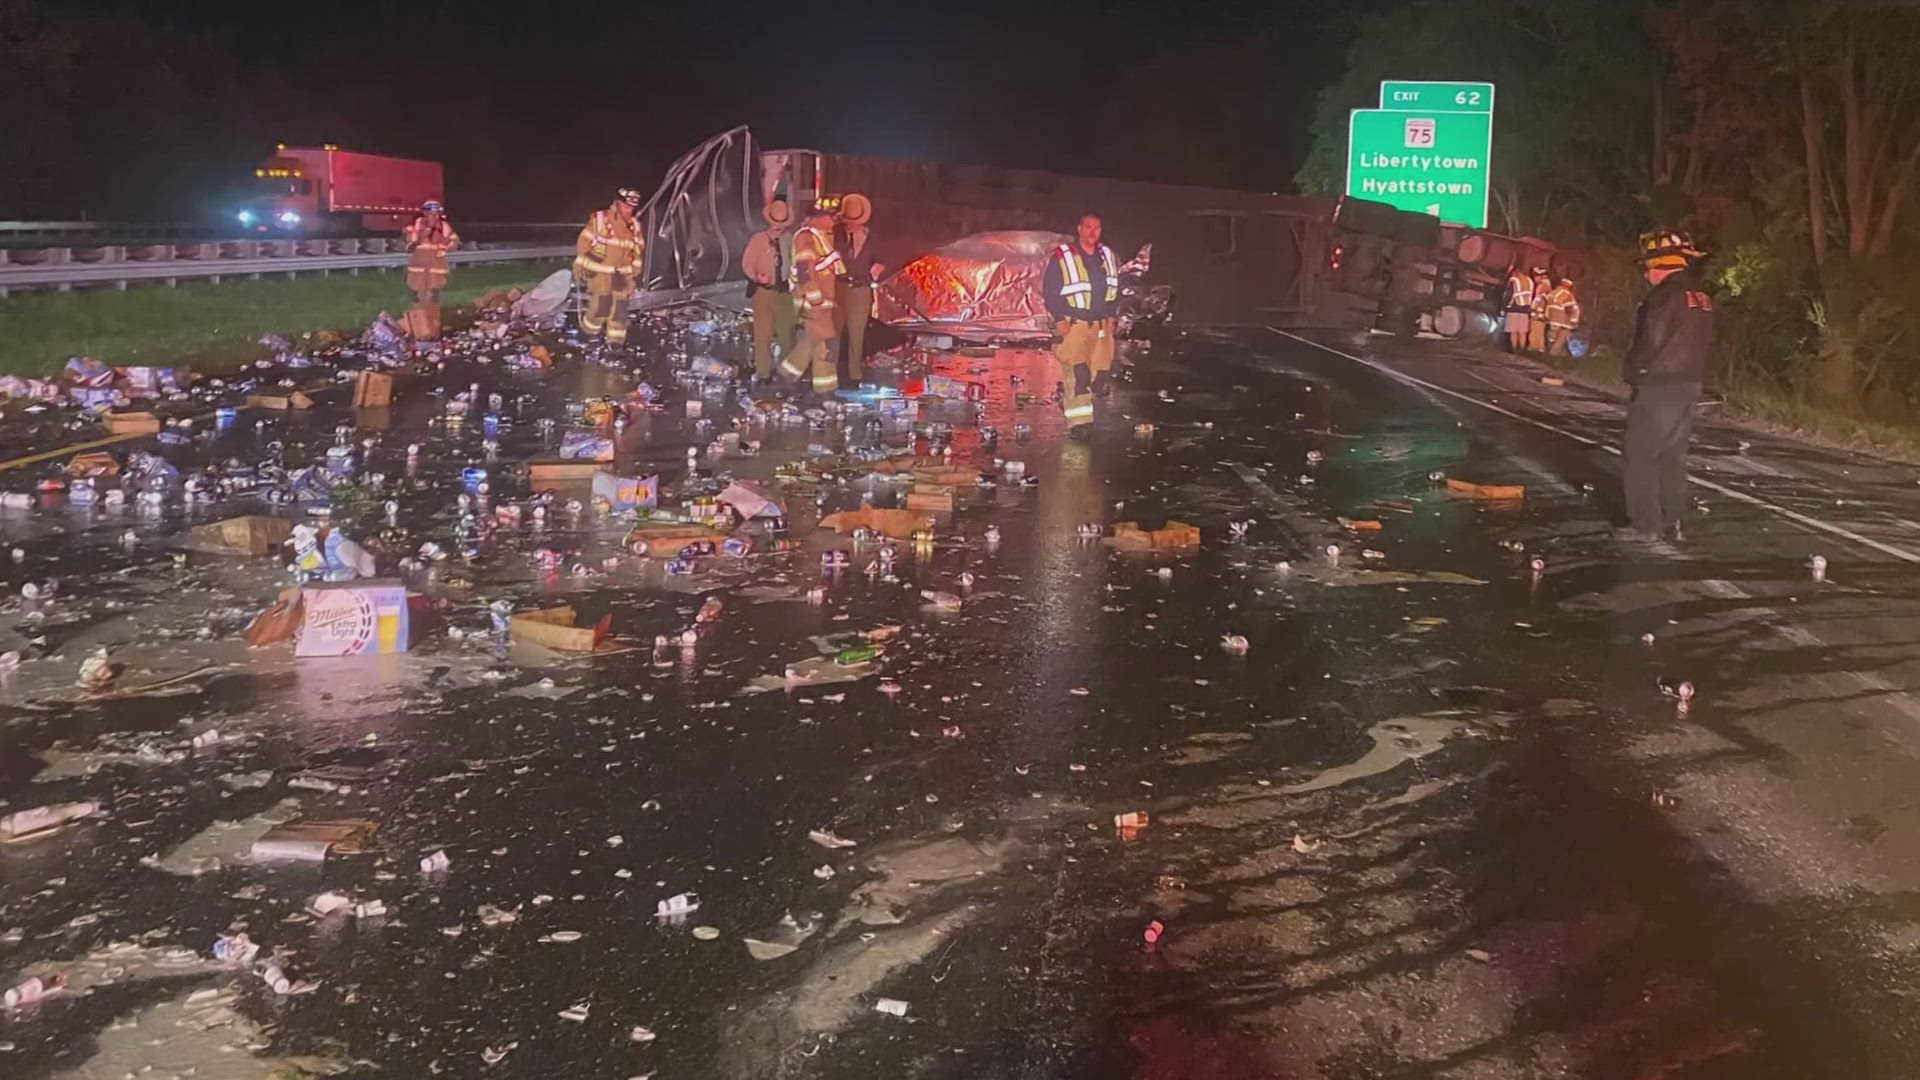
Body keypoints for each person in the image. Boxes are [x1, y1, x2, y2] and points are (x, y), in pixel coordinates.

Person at [1619, 230, 1715, 543]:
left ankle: (1644, 525)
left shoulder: (1662, 297)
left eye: (1647, 266)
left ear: (1658, 265)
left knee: (1641, 452)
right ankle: (1674, 518)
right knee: (1672, 455)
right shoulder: (1700, 297)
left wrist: (1634, 371)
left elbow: (1650, 343)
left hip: (1660, 384)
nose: (1646, 274)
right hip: (1690, 383)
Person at [1043, 212, 1120, 437]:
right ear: (1079, 229)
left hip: (1101, 325)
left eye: (1097, 228)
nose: (1092, 232)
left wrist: (1112, 316)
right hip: (1074, 323)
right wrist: (1059, 319)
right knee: (1079, 374)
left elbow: (1114, 287)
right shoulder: (1063, 256)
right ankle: (1079, 423)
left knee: (1100, 374)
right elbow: (1050, 290)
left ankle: (1075, 403)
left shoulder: (1107, 255)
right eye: (1088, 227)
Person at [778, 205, 843, 398]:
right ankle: (825, 391)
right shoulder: (806, 237)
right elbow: (804, 269)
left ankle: (786, 376)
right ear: (817, 218)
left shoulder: (817, 236)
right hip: (813, 301)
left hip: (820, 300)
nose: (833, 221)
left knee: (812, 340)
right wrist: (814, 297)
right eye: (831, 217)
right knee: (823, 345)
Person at [574, 188, 646, 349]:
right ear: (618, 203)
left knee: (620, 310)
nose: (629, 210)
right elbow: (584, 243)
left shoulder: (634, 226)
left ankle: (615, 342)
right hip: (601, 274)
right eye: (626, 206)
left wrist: (635, 273)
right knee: (601, 306)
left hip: (623, 276)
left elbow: (637, 251)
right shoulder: (600, 220)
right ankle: (589, 335)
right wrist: (581, 266)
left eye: (632, 207)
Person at [740, 199, 795, 385]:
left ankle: (787, 373)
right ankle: (763, 373)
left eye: (781, 223)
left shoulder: (790, 239)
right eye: (775, 223)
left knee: (786, 334)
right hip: (763, 292)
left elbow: (796, 263)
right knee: (763, 334)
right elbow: (747, 263)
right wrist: (756, 276)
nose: (778, 227)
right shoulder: (758, 239)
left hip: (784, 292)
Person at [833, 193, 884, 387]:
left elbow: (880, 259)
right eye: (848, 220)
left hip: (860, 288)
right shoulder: (834, 233)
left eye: (855, 221)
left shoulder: (871, 237)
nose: (851, 224)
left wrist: (878, 267)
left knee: (857, 333)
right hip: (838, 287)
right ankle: (831, 372)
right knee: (834, 332)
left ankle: (855, 376)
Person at [401, 200, 459, 343]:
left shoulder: (444, 227)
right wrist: (421, 236)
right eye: (431, 213)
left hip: (436, 274)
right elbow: (409, 247)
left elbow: (455, 241)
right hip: (418, 273)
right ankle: (419, 333)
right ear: (425, 213)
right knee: (418, 301)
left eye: (436, 214)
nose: (434, 217)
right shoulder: (414, 227)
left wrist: (447, 247)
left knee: (433, 302)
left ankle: (434, 333)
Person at [1544, 274, 1581, 356]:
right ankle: (1553, 358)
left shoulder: (1551, 293)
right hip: (1564, 323)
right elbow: (1570, 309)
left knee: (1552, 340)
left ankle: (1551, 356)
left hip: (1552, 321)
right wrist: (1574, 321)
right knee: (1559, 341)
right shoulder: (1567, 295)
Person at [1503, 264, 1534, 352]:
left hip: (1513, 308)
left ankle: (1514, 349)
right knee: (1522, 332)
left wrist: (1504, 307)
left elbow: (1509, 294)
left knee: (1513, 331)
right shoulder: (1529, 281)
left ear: (1514, 272)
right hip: (1525, 309)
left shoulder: (1514, 280)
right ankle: (1522, 350)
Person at [1526, 266, 1552, 352]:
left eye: (1535, 276)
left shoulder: (1543, 286)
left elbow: (1541, 300)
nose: (1534, 279)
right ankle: (1539, 348)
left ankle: (1534, 348)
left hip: (1538, 313)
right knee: (1539, 330)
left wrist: (1534, 308)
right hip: (1540, 313)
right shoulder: (1546, 285)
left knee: (1535, 329)